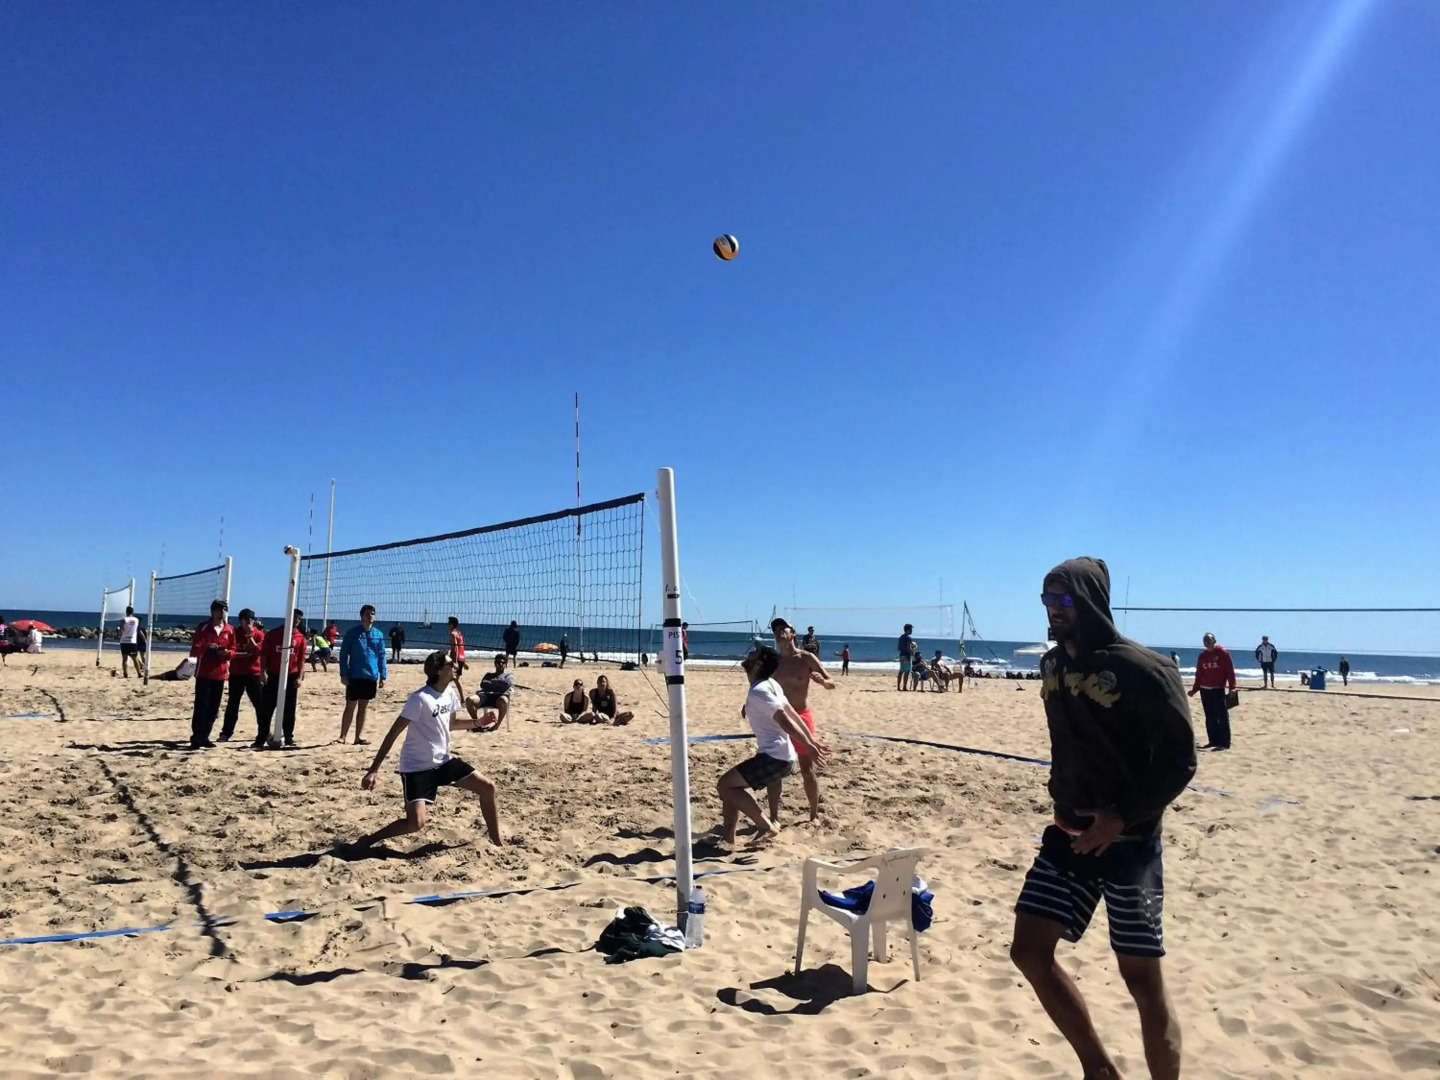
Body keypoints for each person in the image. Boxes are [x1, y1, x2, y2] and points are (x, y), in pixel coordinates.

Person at [1012, 558, 1195, 1080]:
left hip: (1129, 844)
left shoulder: (1145, 669)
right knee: (1029, 952)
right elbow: (1070, 744)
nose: (1054, 609)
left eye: (1064, 599)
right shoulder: (1052, 666)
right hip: (1068, 838)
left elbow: (1181, 761)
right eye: (1047, 599)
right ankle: (1100, 1070)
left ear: (1091, 599)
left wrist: (1120, 815)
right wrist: (1063, 792)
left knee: (1141, 981)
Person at [356, 650, 501, 849]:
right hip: (417, 767)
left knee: (487, 787)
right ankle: (368, 840)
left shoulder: (449, 692)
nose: (456, 667)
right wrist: (374, 769)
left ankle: (497, 842)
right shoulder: (419, 699)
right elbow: (393, 733)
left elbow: (452, 722)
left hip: (443, 761)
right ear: (440, 670)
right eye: (451, 664)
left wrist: (478, 722)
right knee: (415, 823)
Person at [715, 645, 830, 848]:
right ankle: (728, 837)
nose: (748, 654)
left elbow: (785, 718)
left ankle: (765, 825)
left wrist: (809, 745)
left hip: (775, 757)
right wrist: (811, 741)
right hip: (783, 756)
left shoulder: (760, 690)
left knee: (724, 785)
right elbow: (794, 713)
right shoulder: (770, 684)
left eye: (753, 654)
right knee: (731, 785)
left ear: (758, 664)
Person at [766, 617, 835, 824]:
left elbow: (832, 682)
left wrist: (823, 682)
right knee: (775, 769)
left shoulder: (806, 658)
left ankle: (813, 814)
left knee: (807, 769)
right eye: (776, 629)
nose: (779, 632)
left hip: (802, 716)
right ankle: (774, 817)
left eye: (783, 628)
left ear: (793, 633)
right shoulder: (774, 662)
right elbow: (762, 687)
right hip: (779, 717)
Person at [186, 600, 235, 750]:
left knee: (214, 708)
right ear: (213, 611)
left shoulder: (230, 630)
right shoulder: (204, 627)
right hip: (204, 673)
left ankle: (205, 736)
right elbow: (195, 649)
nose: (222, 613)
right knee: (201, 706)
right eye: (219, 610)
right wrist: (208, 649)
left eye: (224, 610)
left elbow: (233, 650)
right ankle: (197, 737)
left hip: (220, 674)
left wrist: (226, 653)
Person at [256, 611, 307, 749]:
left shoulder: (300, 637)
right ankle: (261, 738)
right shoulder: (273, 634)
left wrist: (300, 677)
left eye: (299, 618)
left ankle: (289, 737)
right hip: (273, 675)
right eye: (295, 617)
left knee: (289, 709)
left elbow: (301, 659)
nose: (297, 620)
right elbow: (264, 654)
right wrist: (262, 671)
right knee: (267, 708)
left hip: (291, 676)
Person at [338, 604, 388, 745]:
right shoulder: (352, 633)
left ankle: (358, 737)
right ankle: (342, 736)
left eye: (372, 613)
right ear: (361, 616)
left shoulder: (378, 635)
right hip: (354, 675)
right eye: (367, 614)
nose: (370, 616)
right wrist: (344, 674)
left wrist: (383, 676)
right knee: (350, 706)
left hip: (370, 675)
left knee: (363, 707)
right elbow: (343, 654)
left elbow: (382, 656)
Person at [219, 609, 264, 742]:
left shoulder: (259, 634)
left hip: (253, 673)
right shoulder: (234, 633)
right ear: (241, 620)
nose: (248, 622)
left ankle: (263, 731)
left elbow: (258, 652)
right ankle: (226, 732)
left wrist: (250, 637)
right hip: (237, 673)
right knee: (233, 703)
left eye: (251, 619)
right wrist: (243, 654)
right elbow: (229, 652)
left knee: (259, 704)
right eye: (246, 619)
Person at [1190, 632, 1237, 751]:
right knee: (1209, 716)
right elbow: (1199, 674)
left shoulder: (1223, 654)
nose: (1206, 642)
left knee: (1221, 716)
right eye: (1204, 640)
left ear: (1214, 641)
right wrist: (1195, 689)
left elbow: (1230, 672)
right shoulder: (1202, 656)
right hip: (1205, 690)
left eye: (1209, 640)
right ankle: (1213, 740)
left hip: (1218, 689)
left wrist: (1232, 687)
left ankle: (1225, 743)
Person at [463, 654, 511, 730]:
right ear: (495, 664)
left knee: (504, 700)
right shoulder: (489, 675)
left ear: (505, 665)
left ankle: (497, 725)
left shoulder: (508, 676)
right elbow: (483, 684)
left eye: (503, 662)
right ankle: (477, 723)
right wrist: (498, 684)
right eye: (498, 662)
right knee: (469, 700)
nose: (500, 664)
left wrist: (492, 682)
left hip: (498, 697)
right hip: (485, 696)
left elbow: (507, 684)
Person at [118, 606, 144, 678]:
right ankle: (139, 673)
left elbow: (121, 630)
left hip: (124, 641)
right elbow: (137, 629)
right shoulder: (136, 620)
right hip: (132, 641)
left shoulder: (123, 620)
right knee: (135, 658)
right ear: (132, 612)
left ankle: (125, 674)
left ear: (126, 612)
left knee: (125, 659)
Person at [897, 623, 915, 691]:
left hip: (901, 655)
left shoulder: (901, 637)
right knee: (907, 671)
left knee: (901, 671)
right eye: (911, 629)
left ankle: (898, 687)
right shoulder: (908, 638)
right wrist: (913, 654)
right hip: (907, 656)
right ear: (908, 630)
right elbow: (908, 647)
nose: (911, 631)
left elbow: (899, 647)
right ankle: (904, 687)